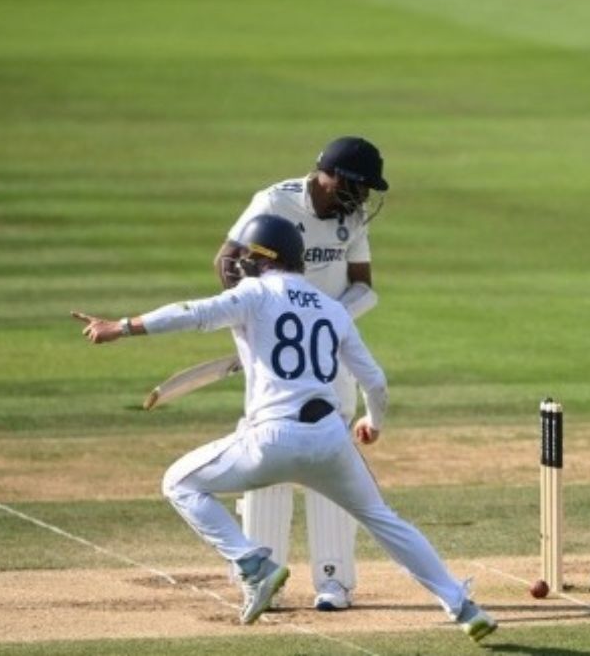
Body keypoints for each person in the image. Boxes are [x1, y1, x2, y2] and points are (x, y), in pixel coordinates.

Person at [70, 214, 497, 640]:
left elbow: (191, 313)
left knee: (179, 483)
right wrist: (374, 421)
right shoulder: (332, 308)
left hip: (271, 440)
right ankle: (462, 605)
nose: (239, 263)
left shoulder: (254, 293)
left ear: (264, 258)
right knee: (385, 521)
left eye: (246, 255)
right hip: (330, 440)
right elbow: (376, 382)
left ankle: (253, 564)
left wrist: (120, 328)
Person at [212, 136, 387, 611]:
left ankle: (334, 583)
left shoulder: (351, 218)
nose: (363, 198)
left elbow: (363, 286)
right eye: (359, 186)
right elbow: (226, 261)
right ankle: (262, 579)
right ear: (335, 178)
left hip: (328, 358)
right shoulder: (275, 202)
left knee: (331, 461)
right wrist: (254, 321)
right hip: (277, 360)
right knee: (267, 458)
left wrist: (325, 322)